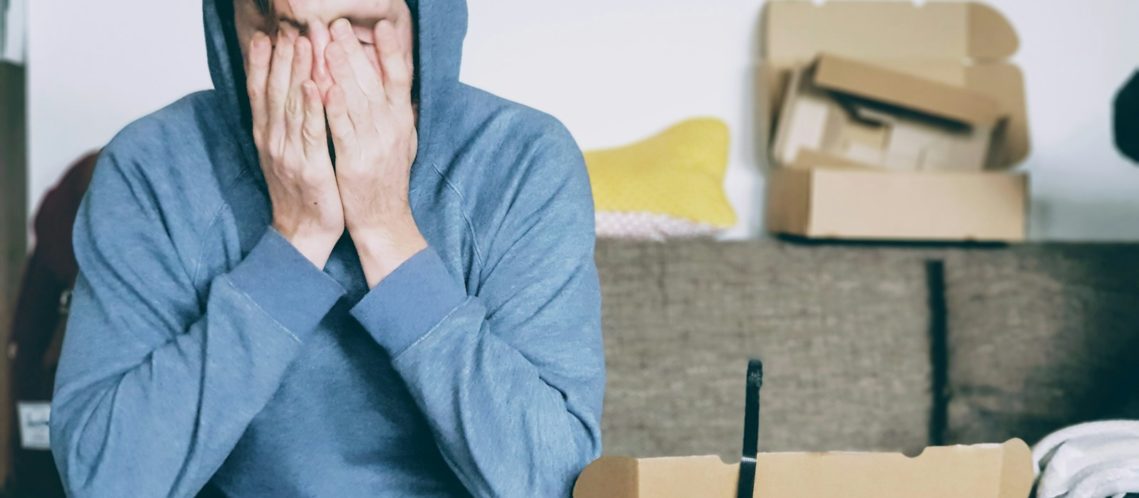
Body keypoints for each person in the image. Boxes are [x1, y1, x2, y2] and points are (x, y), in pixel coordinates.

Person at [48, 0, 605, 496]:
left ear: (422, 22)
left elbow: (552, 481)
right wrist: (295, 239)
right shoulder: (151, 166)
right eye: (283, 27)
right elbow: (104, 479)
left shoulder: (523, 161)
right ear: (228, 20)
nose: (318, 75)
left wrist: (386, 230)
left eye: (359, 33)